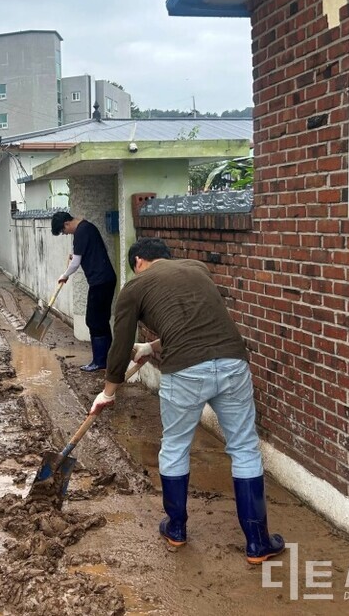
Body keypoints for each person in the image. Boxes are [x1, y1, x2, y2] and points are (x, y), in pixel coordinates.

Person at [90, 237, 285, 564]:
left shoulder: (134, 289)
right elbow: (195, 323)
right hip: (233, 362)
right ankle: (257, 543)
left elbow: (119, 347)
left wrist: (107, 392)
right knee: (244, 448)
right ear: (167, 258)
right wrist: (151, 348)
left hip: (185, 372)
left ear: (138, 261)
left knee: (176, 446)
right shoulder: (197, 269)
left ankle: (176, 529)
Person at [51, 211, 117, 372]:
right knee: (100, 320)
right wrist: (75, 256)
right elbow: (98, 249)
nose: (65, 234)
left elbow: (76, 263)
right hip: (105, 279)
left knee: (94, 321)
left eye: (63, 231)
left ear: (67, 223)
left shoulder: (81, 231)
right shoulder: (88, 228)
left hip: (100, 281)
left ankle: (100, 361)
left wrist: (64, 275)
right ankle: (107, 359)